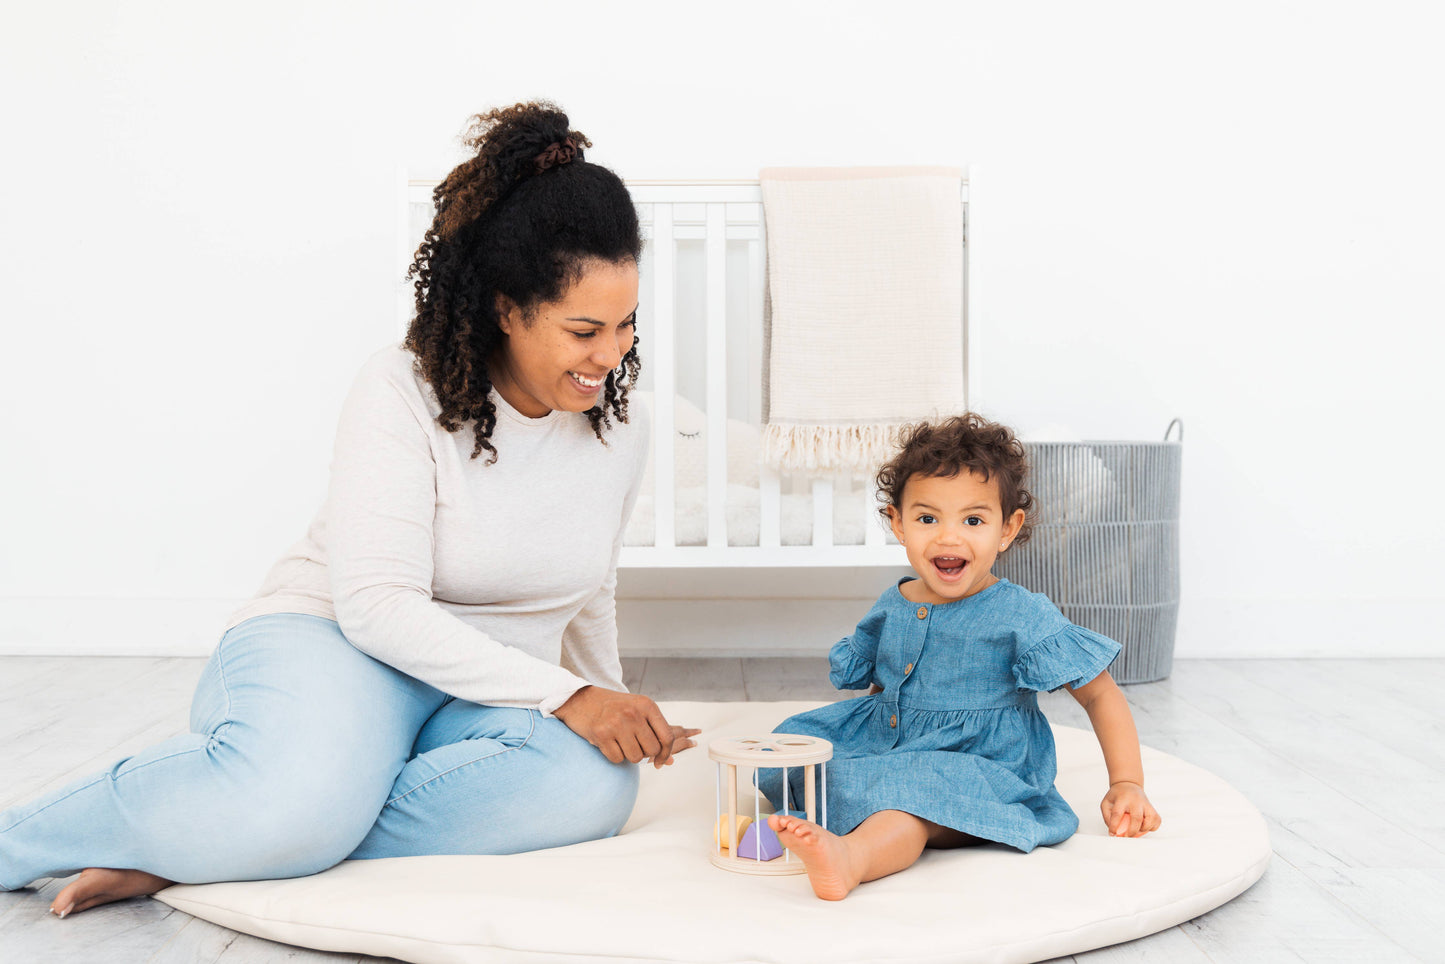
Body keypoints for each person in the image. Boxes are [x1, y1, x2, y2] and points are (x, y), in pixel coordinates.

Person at [0, 101, 699, 917]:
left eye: (625, 326)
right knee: (295, 799)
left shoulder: (622, 426)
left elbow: (590, 588)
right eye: (584, 330)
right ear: (507, 308)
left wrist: (608, 702)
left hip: (486, 686)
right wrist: (569, 699)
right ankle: (50, 837)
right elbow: (374, 606)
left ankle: (226, 842)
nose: (610, 357)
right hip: (337, 643)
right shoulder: (400, 391)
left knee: (588, 789)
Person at [758, 413, 1161, 900]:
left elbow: (1099, 695)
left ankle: (852, 858)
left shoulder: (1020, 612)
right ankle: (841, 806)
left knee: (913, 801)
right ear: (898, 523)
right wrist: (868, 741)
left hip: (979, 764)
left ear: (1007, 530)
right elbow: (885, 687)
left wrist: (1127, 782)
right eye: (928, 518)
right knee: (794, 744)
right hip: (900, 744)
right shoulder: (896, 600)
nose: (949, 538)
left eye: (973, 520)